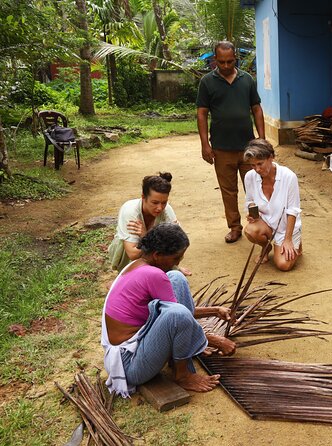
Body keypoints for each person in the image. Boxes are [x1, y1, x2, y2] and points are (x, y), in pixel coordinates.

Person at [101, 223, 236, 396]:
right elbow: (179, 316)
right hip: (130, 366)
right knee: (176, 313)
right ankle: (183, 374)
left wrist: (215, 311)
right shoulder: (154, 275)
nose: (178, 262)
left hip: (136, 346)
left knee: (176, 277)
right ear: (157, 255)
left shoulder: (137, 265)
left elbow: (181, 311)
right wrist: (215, 341)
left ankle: (177, 357)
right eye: (175, 258)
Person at [196, 40, 265, 244]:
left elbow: (257, 109)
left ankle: (259, 223)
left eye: (230, 61)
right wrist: (205, 145)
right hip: (221, 148)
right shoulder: (207, 82)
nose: (226, 66)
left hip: (248, 149)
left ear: (236, 58)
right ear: (215, 60)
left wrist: (261, 139)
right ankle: (234, 227)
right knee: (228, 190)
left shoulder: (247, 80)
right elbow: (201, 114)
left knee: (254, 188)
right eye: (221, 62)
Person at [108, 172, 191, 276]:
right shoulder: (130, 211)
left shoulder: (167, 210)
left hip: (147, 248)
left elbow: (179, 245)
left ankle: (169, 268)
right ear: (143, 197)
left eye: (164, 202)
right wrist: (149, 240)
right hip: (128, 258)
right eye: (155, 203)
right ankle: (125, 276)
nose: (160, 208)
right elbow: (132, 254)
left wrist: (145, 236)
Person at [242, 139, 302, 271]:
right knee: (250, 230)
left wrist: (288, 239)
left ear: (271, 157)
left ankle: (296, 240)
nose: (257, 169)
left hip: (286, 227)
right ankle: (266, 247)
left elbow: (293, 210)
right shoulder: (249, 177)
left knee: (283, 265)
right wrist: (252, 214)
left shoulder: (289, 176)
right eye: (252, 165)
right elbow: (249, 201)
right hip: (267, 223)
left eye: (260, 163)